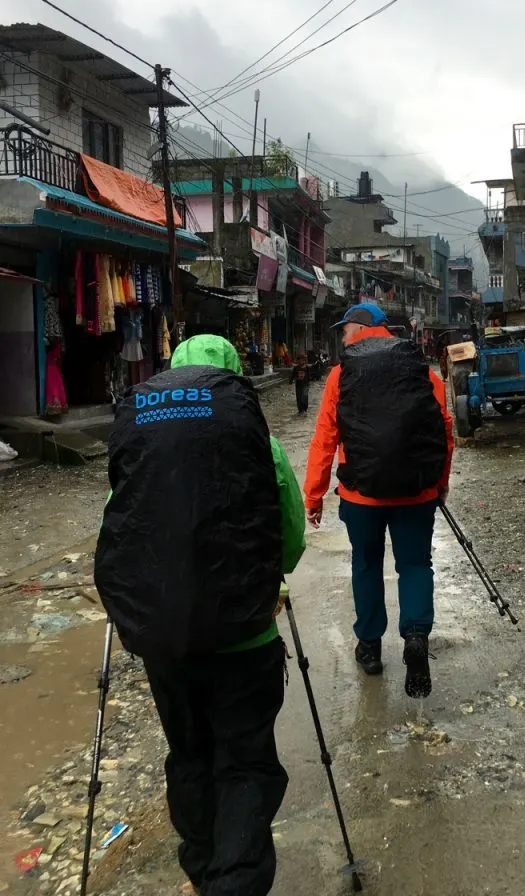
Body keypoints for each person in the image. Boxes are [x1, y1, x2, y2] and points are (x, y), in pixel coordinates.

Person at [94, 334, 305, 896]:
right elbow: (290, 540)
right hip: (246, 639)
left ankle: (203, 867)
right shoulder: (261, 443)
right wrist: (266, 578)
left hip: (167, 645)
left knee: (189, 757)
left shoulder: (143, 439)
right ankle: (234, 884)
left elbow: (114, 534)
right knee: (245, 764)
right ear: (234, 378)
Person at [303, 303, 454, 699]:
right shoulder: (422, 371)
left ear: (362, 327)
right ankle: (416, 635)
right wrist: (440, 483)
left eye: (345, 329)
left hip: (360, 495)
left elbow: (325, 438)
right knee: (416, 564)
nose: (343, 337)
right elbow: (444, 431)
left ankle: (370, 646)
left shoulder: (341, 375)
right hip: (416, 492)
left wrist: (314, 494)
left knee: (366, 565)